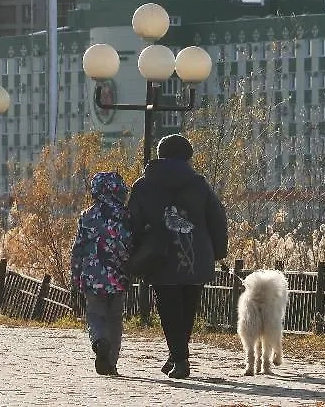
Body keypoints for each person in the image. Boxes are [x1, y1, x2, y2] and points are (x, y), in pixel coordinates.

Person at [127, 134, 227, 379]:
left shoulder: (143, 185)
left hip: (160, 257)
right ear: (188, 156)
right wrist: (218, 252)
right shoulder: (199, 184)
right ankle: (177, 355)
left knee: (169, 308)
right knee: (187, 309)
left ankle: (180, 359)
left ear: (160, 154)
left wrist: (134, 250)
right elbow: (217, 219)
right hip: (195, 254)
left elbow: (132, 222)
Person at [70, 171, 132, 376]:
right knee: (115, 318)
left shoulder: (87, 215)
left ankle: (99, 341)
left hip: (92, 276)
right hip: (118, 276)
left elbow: (78, 249)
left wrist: (76, 276)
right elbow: (130, 245)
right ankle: (111, 361)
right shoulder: (125, 215)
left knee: (96, 314)